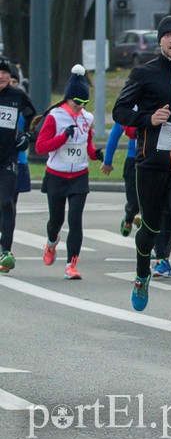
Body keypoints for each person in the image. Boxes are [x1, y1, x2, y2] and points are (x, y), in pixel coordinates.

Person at [112, 15, 171, 320]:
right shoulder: (144, 73)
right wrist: (147, 118)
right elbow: (120, 111)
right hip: (150, 165)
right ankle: (142, 276)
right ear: (160, 41)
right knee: (151, 228)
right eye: (168, 36)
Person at [34, 64, 104, 279]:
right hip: (56, 175)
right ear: (68, 99)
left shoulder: (87, 118)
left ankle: (71, 265)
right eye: (77, 102)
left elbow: (87, 145)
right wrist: (63, 137)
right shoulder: (55, 116)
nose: (80, 107)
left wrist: (96, 155)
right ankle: (52, 242)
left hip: (79, 176)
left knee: (75, 220)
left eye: (85, 103)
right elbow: (40, 147)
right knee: (56, 220)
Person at [0, 57, 36, 273]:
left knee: (6, 202)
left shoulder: (17, 96)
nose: (2, 76)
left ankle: (5, 250)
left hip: (8, 157)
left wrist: (28, 137)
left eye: (5, 72)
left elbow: (34, 118)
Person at [102, 122, 140, 235]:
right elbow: (115, 134)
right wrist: (107, 161)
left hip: (154, 160)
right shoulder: (129, 107)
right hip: (133, 159)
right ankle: (129, 217)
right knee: (133, 199)